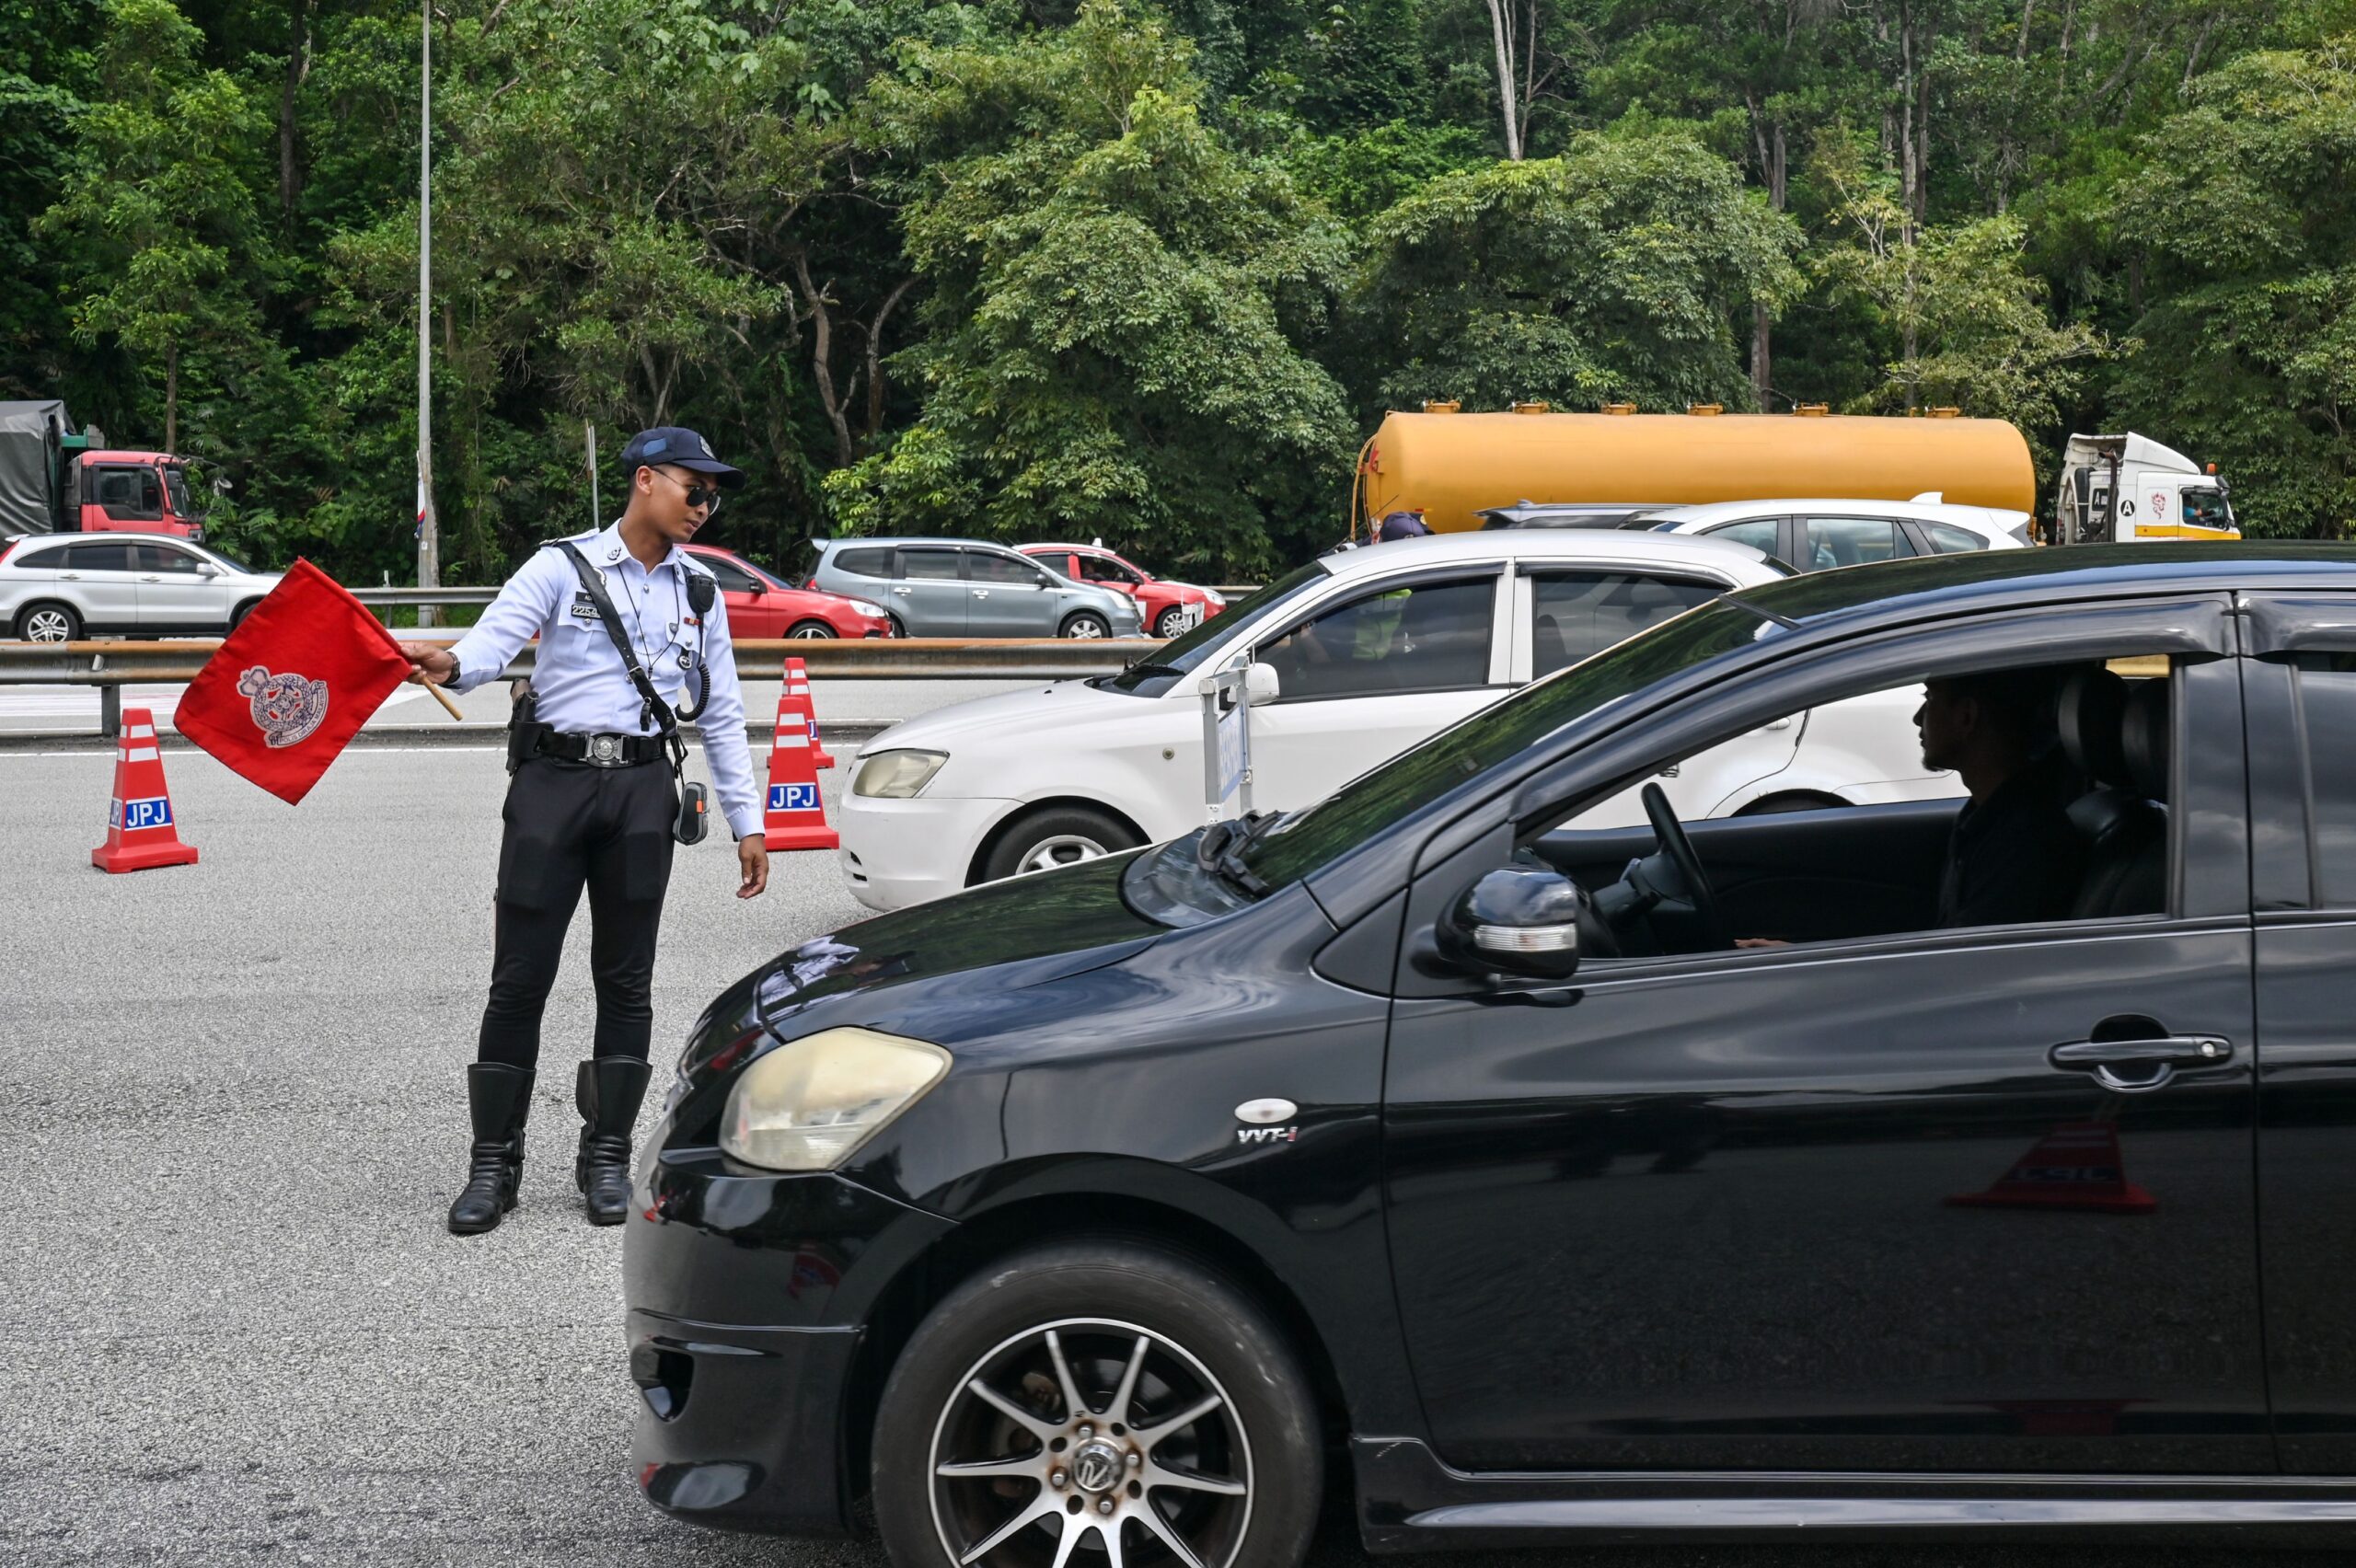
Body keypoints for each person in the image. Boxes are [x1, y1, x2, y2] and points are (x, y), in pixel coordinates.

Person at [400, 427, 769, 1235]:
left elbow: (726, 714)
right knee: (518, 978)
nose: (705, 506)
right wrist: (449, 665)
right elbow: (490, 647)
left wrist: (750, 821)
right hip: (551, 789)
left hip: (641, 790)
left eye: (713, 495)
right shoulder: (559, 566)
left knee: (627, 979)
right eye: (693, 488)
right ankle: (493, 1165)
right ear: (645, 481)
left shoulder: (700, 591)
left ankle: (605, 1154)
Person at [1913, 667, 2085, 928]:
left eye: (1930, 698)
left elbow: (1971, 962)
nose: (1918, 718)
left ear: (1966, 716)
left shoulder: (2022, 843)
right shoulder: (1991, 816)